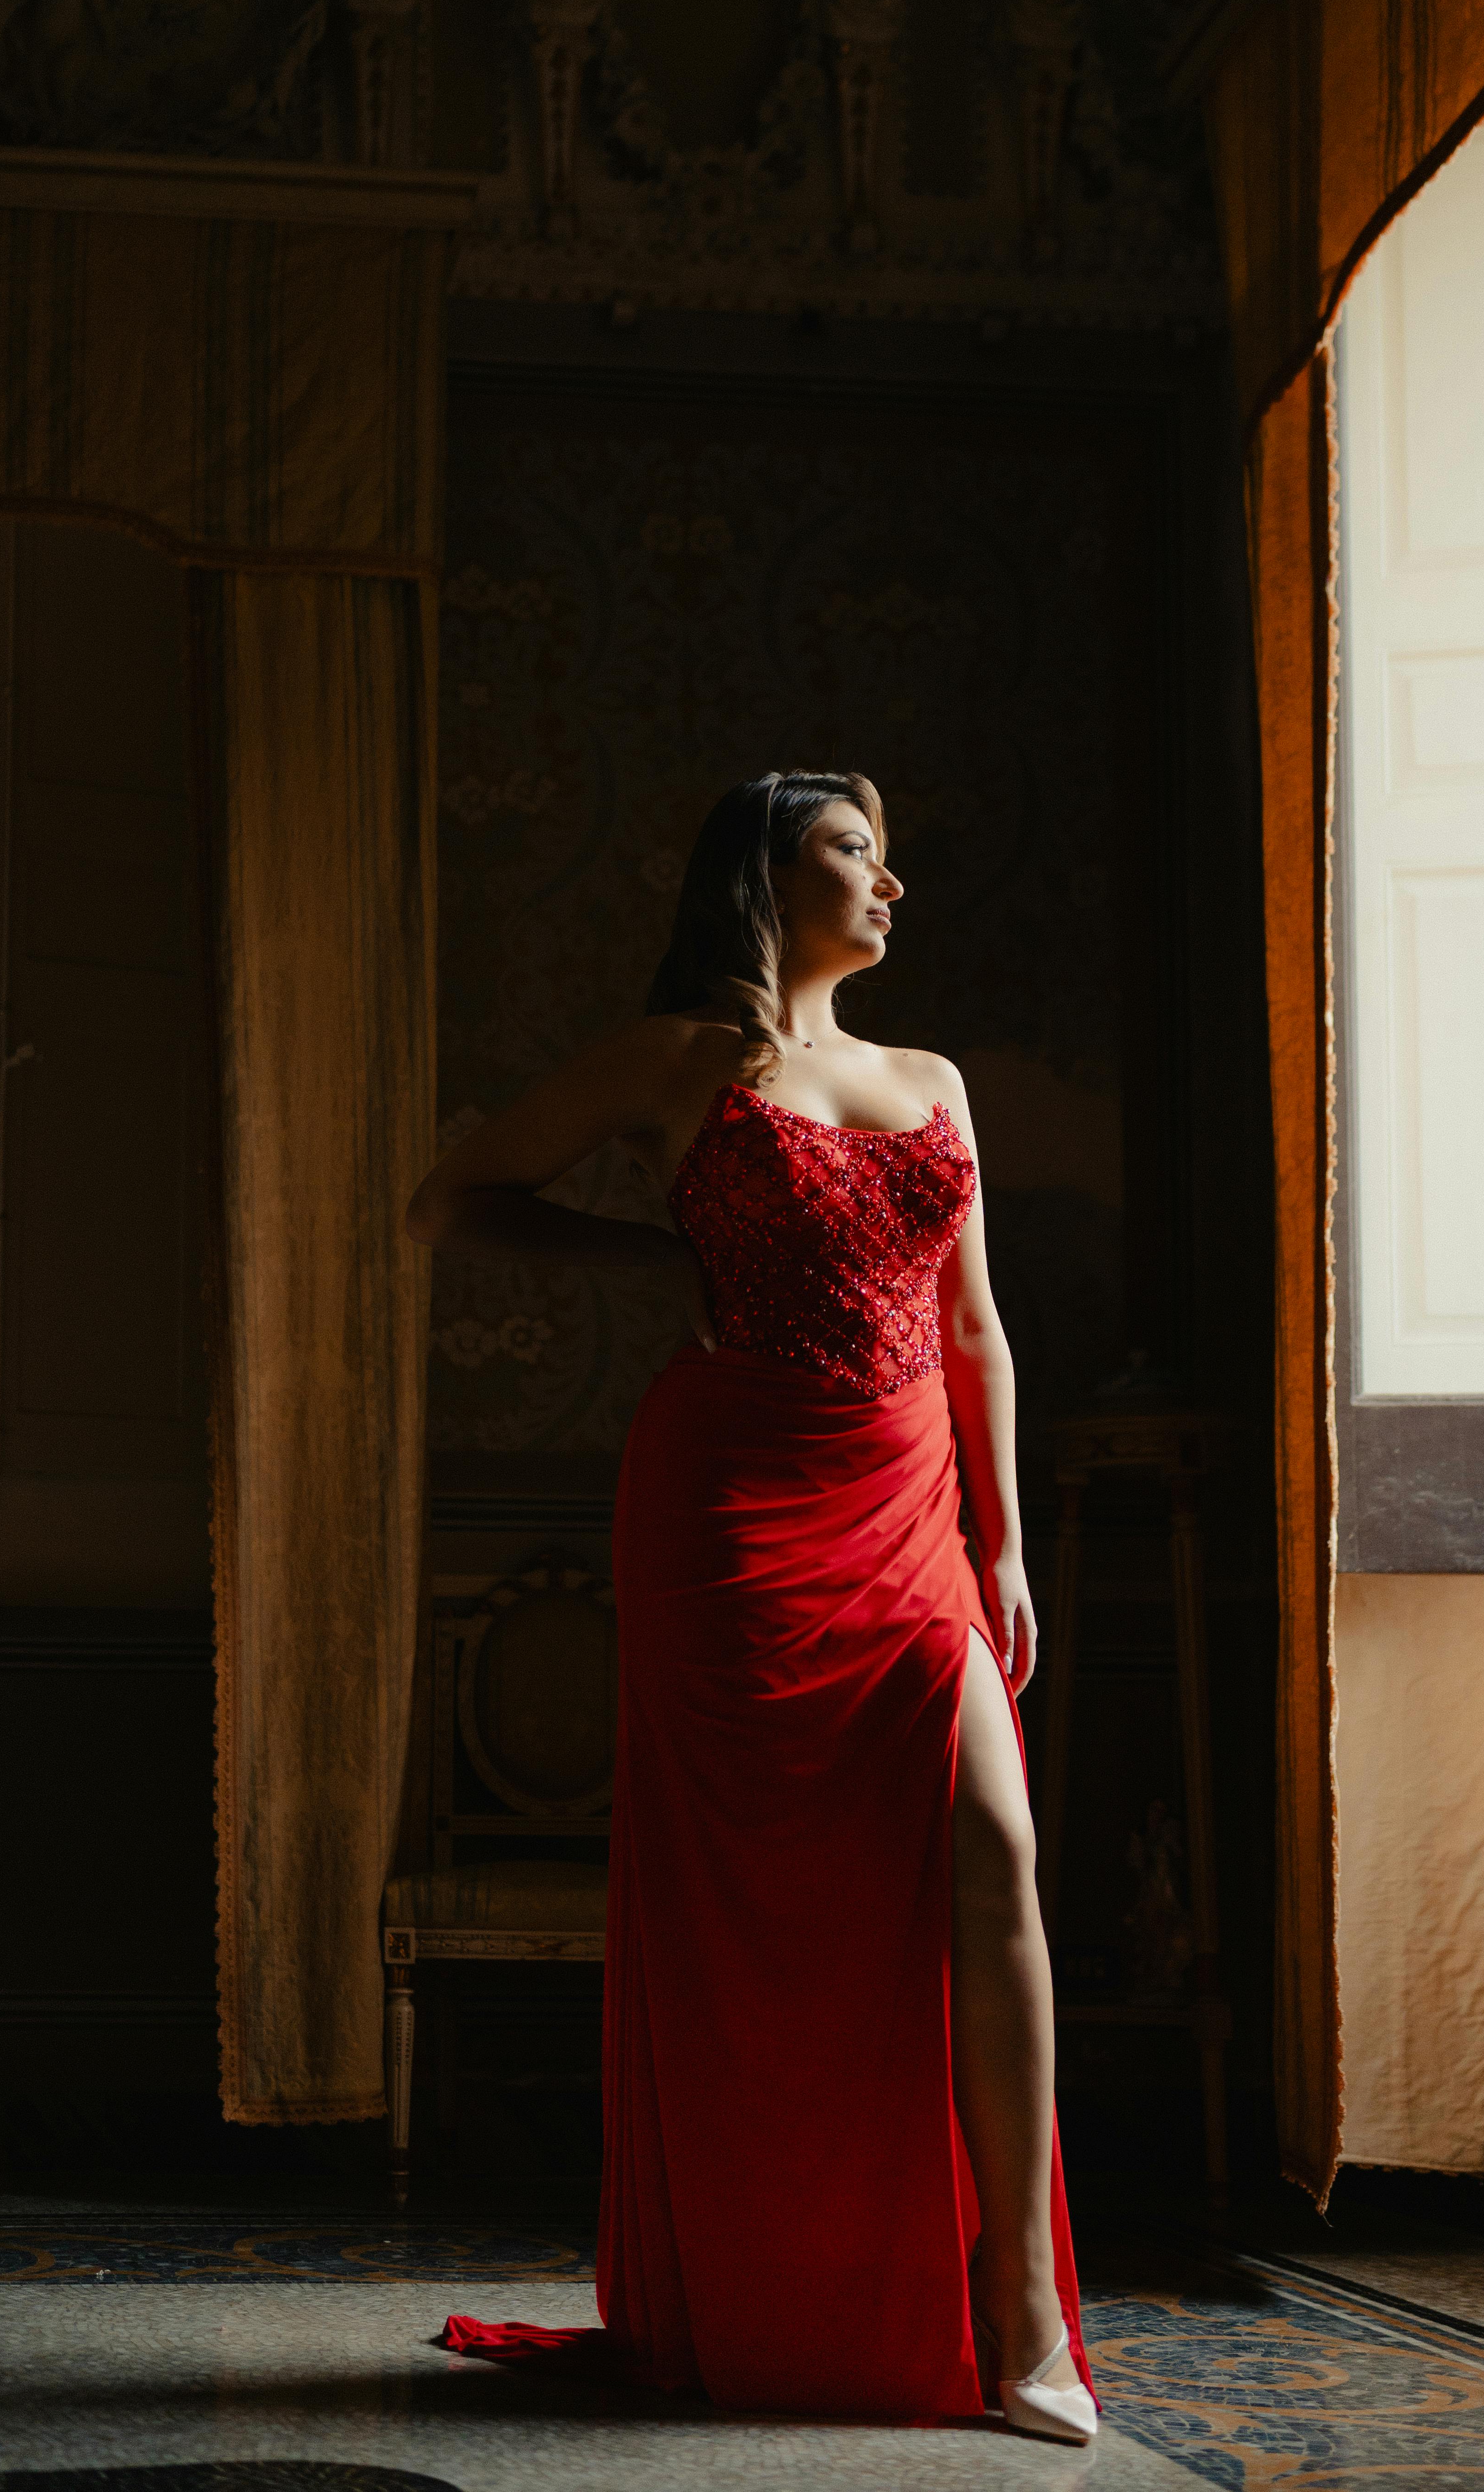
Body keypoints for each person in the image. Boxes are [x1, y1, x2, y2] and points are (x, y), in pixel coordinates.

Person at [405, 770, 1095, 2442]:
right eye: (855, 851)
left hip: (913, 1510)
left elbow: (977, 1330)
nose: (891, 883)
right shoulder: (679, 1061)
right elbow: (457, 1194)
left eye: (886, 854)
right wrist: (654, 1265)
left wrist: (1004, 1545)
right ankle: (760, 2285)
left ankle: (1021, 2315)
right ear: (765, 875)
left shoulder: (932, 1082)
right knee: (756, 1911)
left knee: (994, 1849)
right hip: (732, 1515)